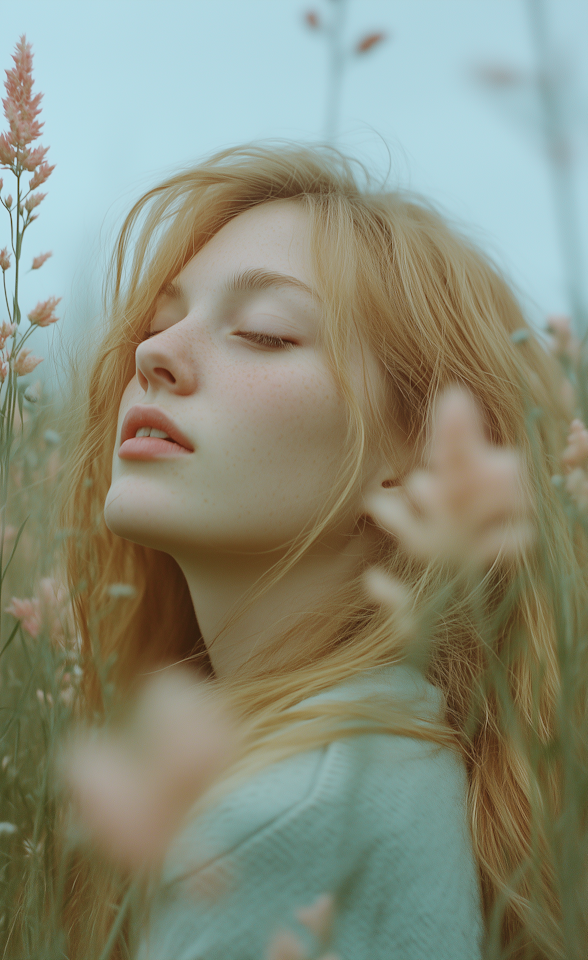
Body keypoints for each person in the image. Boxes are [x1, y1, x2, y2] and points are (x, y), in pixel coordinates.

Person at [57, 141, 581, 960]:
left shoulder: (289, 810)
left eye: (264, 335)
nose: (151, 354)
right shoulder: (390, 751)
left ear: (425, 448)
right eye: (161, 322)